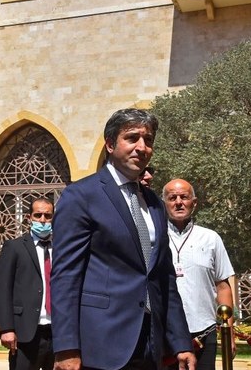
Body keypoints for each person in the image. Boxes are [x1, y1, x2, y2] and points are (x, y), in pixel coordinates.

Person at [50, 108, 196, 370]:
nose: (142, 147)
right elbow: (66, 277)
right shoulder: (82, 196)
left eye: (148, 140)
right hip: (101, 345)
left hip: (150, 344)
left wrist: (181, 342)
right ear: (110, 144)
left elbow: (164, 277)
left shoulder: (154, 204)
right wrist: (66, 347)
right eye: (132, 138)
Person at [163, 178, 236, 370]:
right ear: (165, 204)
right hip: (165, 335)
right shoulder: (155, 238)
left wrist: (230, 333)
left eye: (184, 197)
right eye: (172, 198)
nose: (178, 202)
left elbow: (223, 286)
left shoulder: (211, 238)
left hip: (204, 333)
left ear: (193, 203)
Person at [0, 198, 55, 370]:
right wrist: (6, 328)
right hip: (26, 333)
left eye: (48, 215)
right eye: (38, 215)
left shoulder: (60, 248)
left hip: (57, 332)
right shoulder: (14, 247)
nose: (43, 220)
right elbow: (3, 289)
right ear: (29, 218)